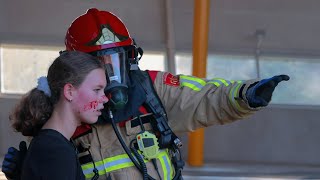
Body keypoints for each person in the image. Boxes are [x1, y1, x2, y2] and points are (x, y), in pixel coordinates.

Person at [2, 8, 290, 180]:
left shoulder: (153, 89)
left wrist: (244, 95)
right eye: (97, 67)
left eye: (116, 61)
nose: (110, 81)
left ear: (130, 58)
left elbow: (203, 98)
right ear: (71, 81)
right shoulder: (57, 122)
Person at [7, 51, 108, 180]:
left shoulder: (54, 144)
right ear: (69, 92)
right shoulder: (56, 151)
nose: (104, 99)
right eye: (97, 90)